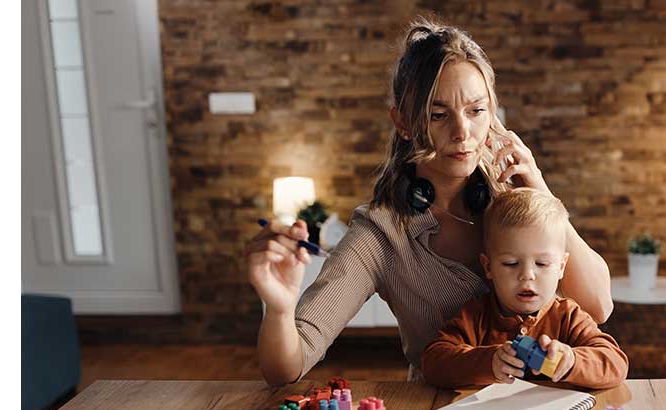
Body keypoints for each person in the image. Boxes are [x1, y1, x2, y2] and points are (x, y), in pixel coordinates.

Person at [245, 18, 613, 385]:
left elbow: (599, 306)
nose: (462, 132)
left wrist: (542, 195)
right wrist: (279, 309)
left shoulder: (515, 198)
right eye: (438, 115)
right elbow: (285, 369)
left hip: (547, 405)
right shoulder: (380, 235)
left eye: (476, 111)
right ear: (403, 123)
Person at [421, 188, 628, 389]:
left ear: (561, 267)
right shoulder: (476, 317)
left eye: (542, 264)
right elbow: (433, 362)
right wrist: (489, 361)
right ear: (488, 266)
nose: (527, 274)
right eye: (511, 263)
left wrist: (572, 360)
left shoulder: (568, 317)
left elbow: (615, 363)